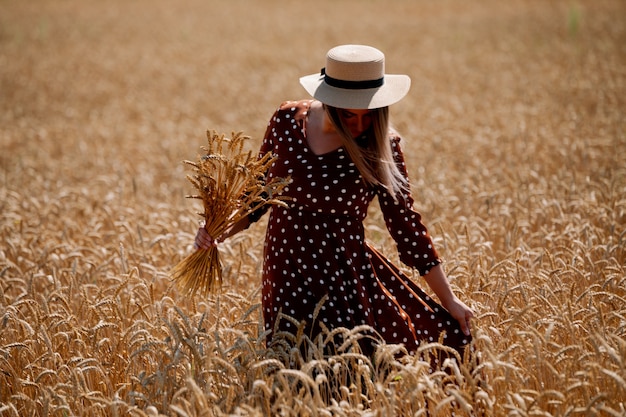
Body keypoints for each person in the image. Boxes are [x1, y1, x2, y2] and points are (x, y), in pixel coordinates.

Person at [195, 44, 474, 364]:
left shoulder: (382, 146)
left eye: (369, 116)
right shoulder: (286, 122)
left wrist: (449, 300)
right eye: (348, 114)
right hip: (284, 273)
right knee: (290, 371)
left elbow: (407, 227)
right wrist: (216, 232)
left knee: (351, 372)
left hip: (341, 278)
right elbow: (256, 198)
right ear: (328, 100)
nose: (358, 126)